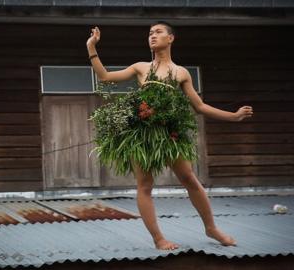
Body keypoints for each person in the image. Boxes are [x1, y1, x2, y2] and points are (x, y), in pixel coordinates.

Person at [86, 21, 254, 250]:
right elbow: (105, 77)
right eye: (149, 33)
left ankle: (212, 228)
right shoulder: (141, 67)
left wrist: (233, 116)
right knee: (144, 185)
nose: (152, 36)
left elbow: (200, 107)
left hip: (170, 133)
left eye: (158, 32)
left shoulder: (181, 72)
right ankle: (158, 239)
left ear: (171, 38)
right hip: (142, 135)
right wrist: (91, 46)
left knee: (189, 179)